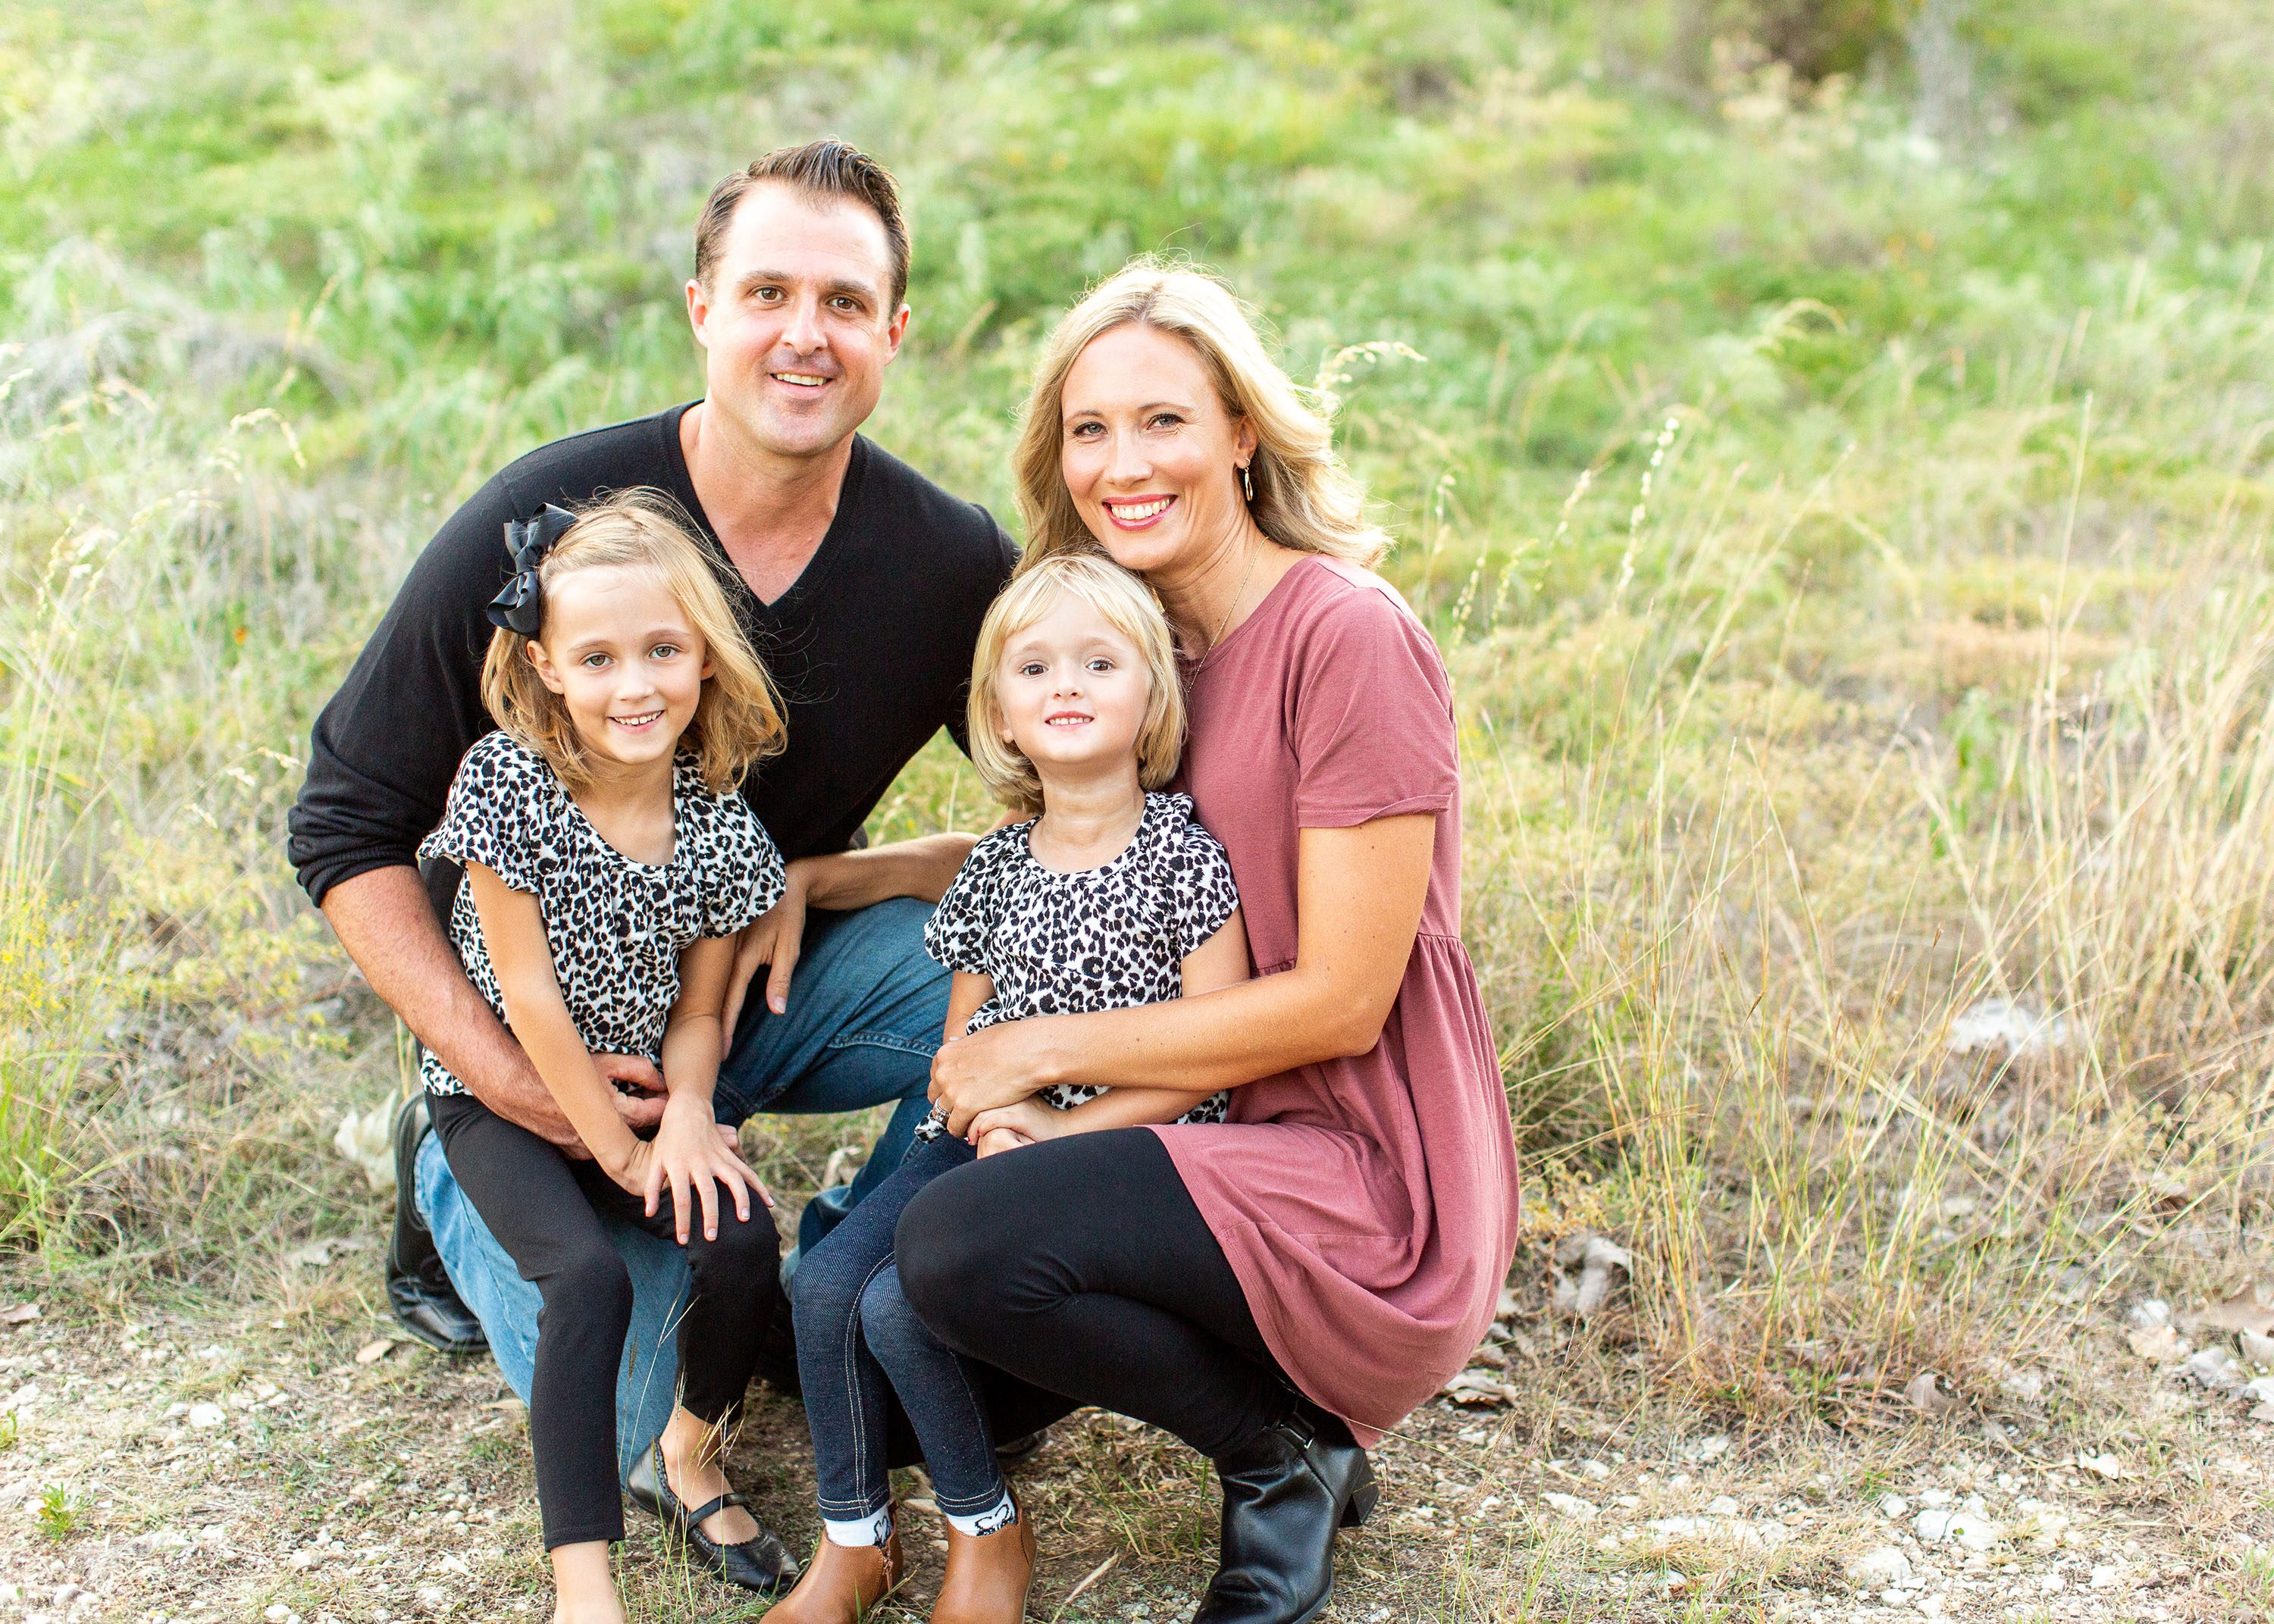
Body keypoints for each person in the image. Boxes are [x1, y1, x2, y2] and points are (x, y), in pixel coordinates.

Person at [284, 140, 1022, 1471]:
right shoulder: (551, 526)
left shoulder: (946, 560)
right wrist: (513, 1081)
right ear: (702, 309)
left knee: (1049, 983)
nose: (806, 335)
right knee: (630, 1419)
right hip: (545, 1033)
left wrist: (855, 871)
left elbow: (1081, 793)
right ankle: (441, 1164)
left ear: (896, 333)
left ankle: (869, 1261)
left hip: (752, 974)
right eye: (767, 293)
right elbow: (344, 821)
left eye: (846, 304)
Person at [901, 261, 1523, 1624]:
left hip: (1358, 1154)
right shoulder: (1143, 642)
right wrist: (847, 875)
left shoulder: (1345, 637)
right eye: (1090, 430)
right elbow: (1077, 853)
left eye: (1165, 421)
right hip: (1194, 1112)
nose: (1125, 463)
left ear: (1243, 430)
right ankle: (1264, 1402)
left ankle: (1280, 1453)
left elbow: (1347, 1001)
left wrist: (1034, 1055)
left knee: (955, 1250)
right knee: (894, 1344)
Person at [770, 552, 1248, 1624]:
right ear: (999, 710)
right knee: (823, 1282)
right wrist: (985, 1122)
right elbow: (960, 1049)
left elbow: (1209, 1056)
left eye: (1097, 662)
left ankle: (986, 1527)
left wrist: (1049, 1125)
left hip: (1118, 1143)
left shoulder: (1184, 858)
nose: (1065, 685)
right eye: (1033, 668)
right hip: (983, 1140)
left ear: (1153, 694)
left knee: (903, 1299)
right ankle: (853, 1539)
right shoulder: (993, 869)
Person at [418, 495, 798, 1613]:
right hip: (504, 1101)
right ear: (544, 665)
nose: (635, 686)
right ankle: (584, 1584)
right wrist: (623, 1163)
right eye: (598, 657)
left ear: (706, 659)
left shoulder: (723, 830)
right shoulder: (506, 786)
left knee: (739, 1240)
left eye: (663, 651)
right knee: (584, 1281)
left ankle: (690, 1448)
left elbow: (700, 1013)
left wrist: (687, 1114)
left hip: (637, 1088)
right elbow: (528, 997)